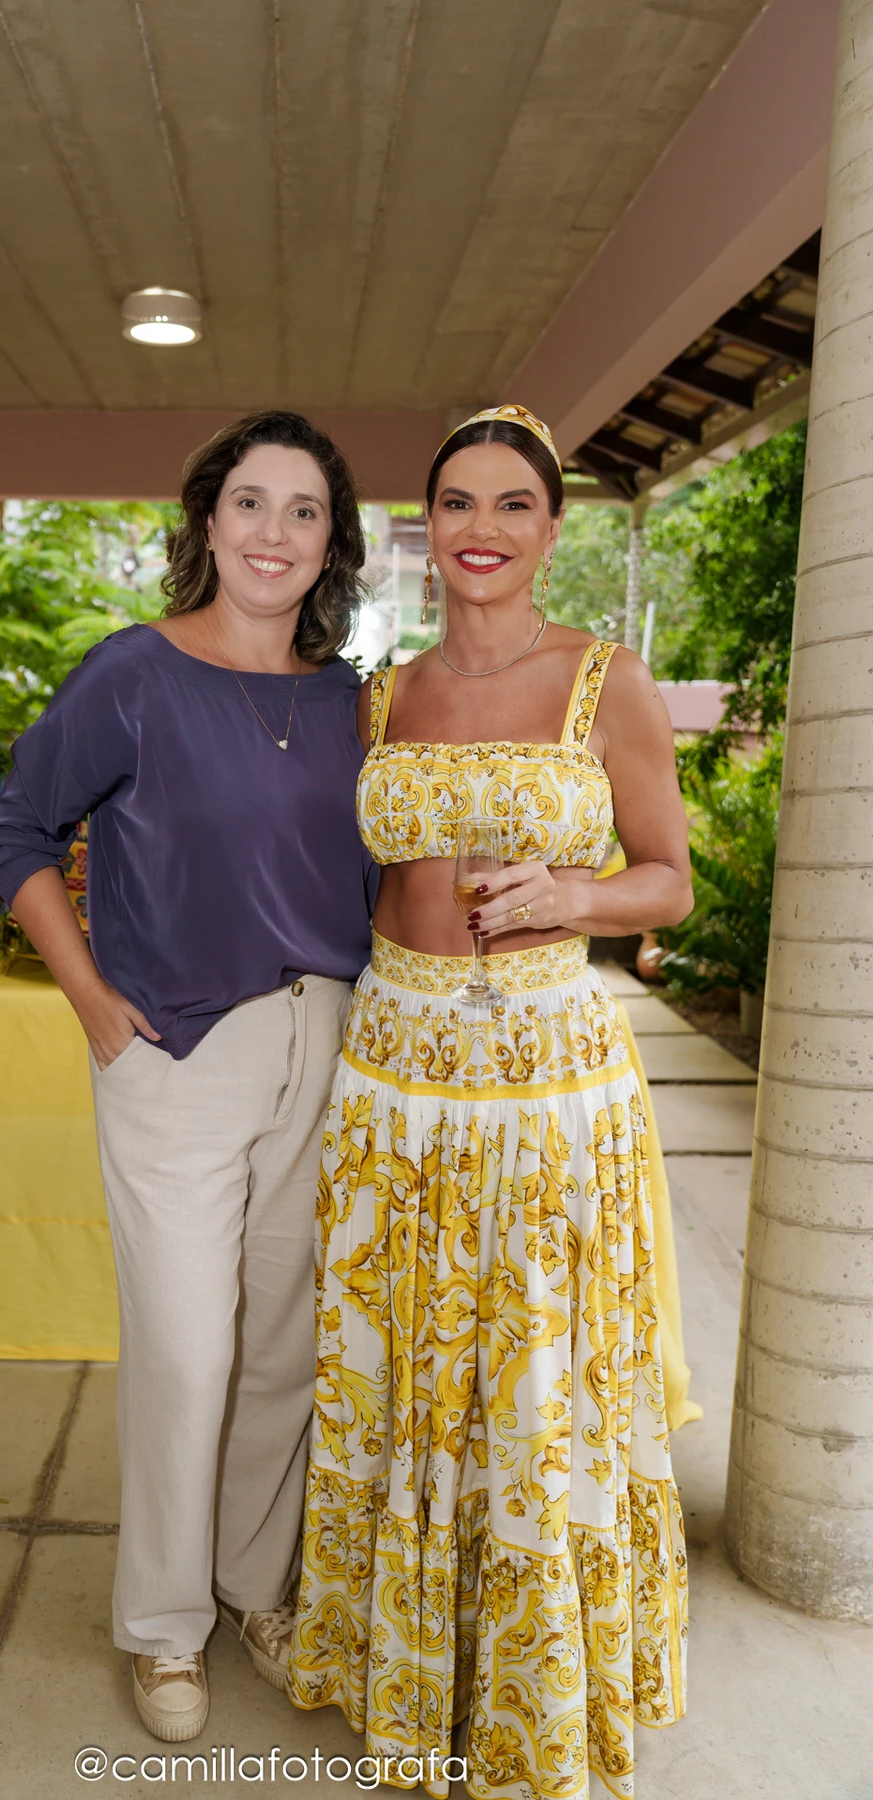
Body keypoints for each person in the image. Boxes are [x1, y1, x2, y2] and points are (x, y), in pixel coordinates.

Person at [286, 405, 695, 1798]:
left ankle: (531, 1685)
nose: (480, 529)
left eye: (512, 505)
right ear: (427, 523)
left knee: (527, 1379)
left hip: (546, 1081)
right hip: (395, 1068)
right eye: (457, 503)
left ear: (552, 528)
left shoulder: (607, 683)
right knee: (403, 1371)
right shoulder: (383, 695)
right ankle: (407, 1659)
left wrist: (577, 893)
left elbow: (670, 879)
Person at [0, 411, 375, 1744]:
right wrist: (88, 993)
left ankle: (252, 1587)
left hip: (324, 1041)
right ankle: (161, 1628)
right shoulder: (131, 675)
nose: (273, 532)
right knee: (186, 1350)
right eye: (250, 503)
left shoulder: (349, 701)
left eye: (302, 510)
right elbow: (18, 832)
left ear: (332, 542)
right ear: (208, 523)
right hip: (174, 1053)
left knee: (279, 1348)